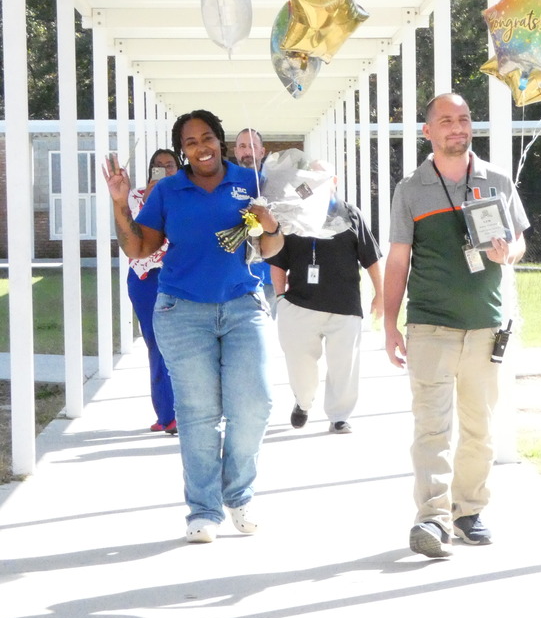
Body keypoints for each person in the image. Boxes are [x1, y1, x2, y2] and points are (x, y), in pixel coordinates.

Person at [103, 109, 284, 544]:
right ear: (182, 151)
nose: (201, 147)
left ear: (220, 141)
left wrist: (271, 224)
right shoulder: (169, 190)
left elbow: (270, 247)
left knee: (254, 403)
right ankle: (204, 510)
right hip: (182, 311)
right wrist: (119, 202)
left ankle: (238, 494)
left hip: (242, 305)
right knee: (199, 414)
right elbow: (139, 248)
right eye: (190, 142)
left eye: (207, 138)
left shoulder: (249, 181)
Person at [383, 92, 530, 558]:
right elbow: (398, 260)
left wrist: (508, 252)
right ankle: (432, 518)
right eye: (446, 120)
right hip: (430, 325)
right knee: (431, 428)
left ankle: (469, 511)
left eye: (464, 119)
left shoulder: (497, 181)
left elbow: (519, 241)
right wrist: (390, 324)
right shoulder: (411, 189)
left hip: (486, 326)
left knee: (479, 427)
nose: (457, 127)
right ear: (428, 131)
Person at [269, 169, 383, 433]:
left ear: (334, 182)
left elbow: (371, 258)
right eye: (312, 179)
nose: (317, 184)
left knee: (344, 366)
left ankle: (340, 416)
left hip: (344, 306)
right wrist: (280, 298)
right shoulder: (293, 215)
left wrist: (380, 294)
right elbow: (277, 261)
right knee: (300, 365)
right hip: (300, 305)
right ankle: (303, 402)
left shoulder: (351, 214)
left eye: (323, 178)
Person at [126, 147, 180, 435]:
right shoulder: (136, 196)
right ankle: (166, 414)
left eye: (170, 165)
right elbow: (137, 233)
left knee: (182, 344)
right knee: (156, 344)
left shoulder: (186, 196)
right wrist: (150, 197)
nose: (164, 169)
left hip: (178, 276)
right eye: (158, 165)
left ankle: (185, 411)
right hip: (145, 279)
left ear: (179, 169)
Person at [233, 127, 276, 314]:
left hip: (268, 276)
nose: (247, 151)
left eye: (252, 146)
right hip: (235, 278)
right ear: (235, 151)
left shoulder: (274, 185)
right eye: (242, 146)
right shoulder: (224, 184)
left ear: (262, 152)